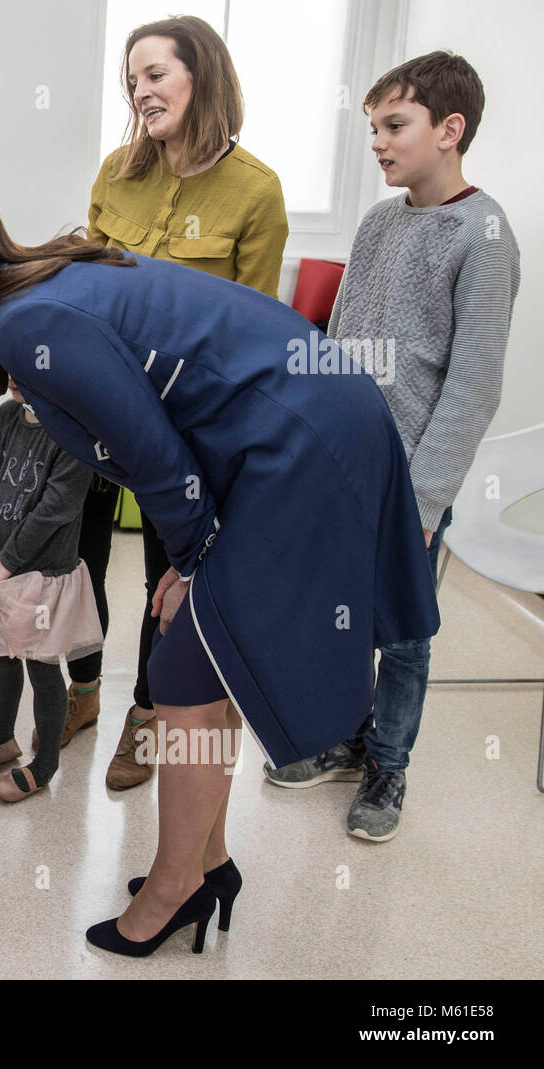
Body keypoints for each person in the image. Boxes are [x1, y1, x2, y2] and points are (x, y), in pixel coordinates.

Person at [0, 170, 438, 957]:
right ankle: (209, 862)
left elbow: (154, 455)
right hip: (294, 426)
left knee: (183, 674)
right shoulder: (39, 291)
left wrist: (198, 556)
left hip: (298, 441)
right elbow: (157, 448)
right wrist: (193, 554)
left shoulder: (31, 323)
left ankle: (177, 890)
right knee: (205, 660)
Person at [263, 52, 520, 842]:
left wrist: (424, 498)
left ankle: (388, 764)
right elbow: (339, 345)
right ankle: (347, 735)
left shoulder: (484, 234)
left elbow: (473, 387)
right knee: (345, 616)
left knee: (405, 630)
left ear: (451, 130)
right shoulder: (378, 222)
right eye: (372, 126)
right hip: (344, 464)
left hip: (412, 479)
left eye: (394, 126)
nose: (377, 142)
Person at [68, 16, 288, 793]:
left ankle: (148, 714)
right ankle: (83, 691)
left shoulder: (256, 191)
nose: (141, 90)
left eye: (155, 74)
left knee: (169, 577)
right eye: (133, 79)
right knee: (76, 560)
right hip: (98, 402)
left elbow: (249, 333)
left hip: (185, 420)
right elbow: (84, 283)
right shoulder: (117, 172)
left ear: (202, 76)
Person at [0, 378, 101, 802]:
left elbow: (56, 509)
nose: (13, 378)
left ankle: (44, 767)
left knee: (42, 667)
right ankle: (1, 737)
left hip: (40, 574)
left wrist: (9, 562)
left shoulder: (74, 434)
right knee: (0, 652)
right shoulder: (6, 417)